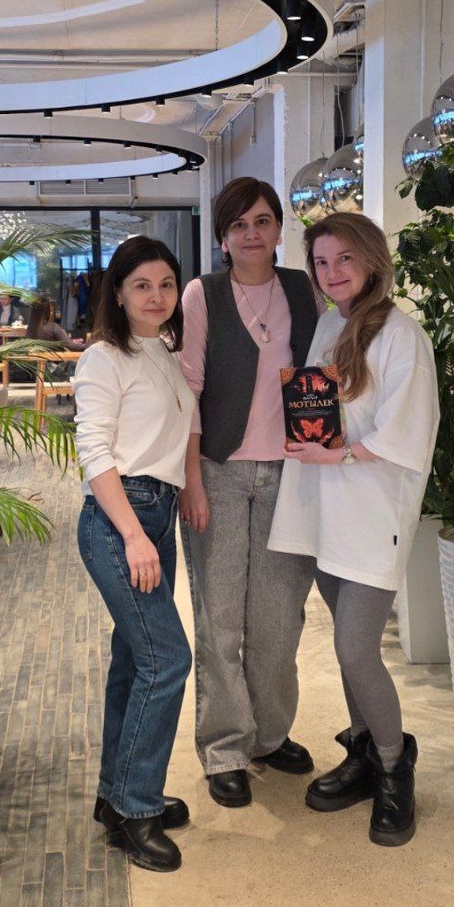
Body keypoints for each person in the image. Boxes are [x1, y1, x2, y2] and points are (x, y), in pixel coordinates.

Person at [268, 212, 439, 848]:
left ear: (371, 261)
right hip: (328, 511)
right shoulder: (328, 325)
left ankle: (395, 766)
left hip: (373, 516)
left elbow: (406, 431)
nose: (332, 272)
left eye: (344, 259)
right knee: (347, 644)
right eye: (321, 262)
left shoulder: (402, 335)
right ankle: (365, 750)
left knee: (354, 648)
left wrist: (335, 455)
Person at [179, 177, 321, 808]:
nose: (251, 234)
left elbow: (324, 372)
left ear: (279, 228)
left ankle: (269, 735)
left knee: (278, 618)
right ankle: (225, 748)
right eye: (238, 225)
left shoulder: (304, 288)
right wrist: (191, 481)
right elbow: (188, 391)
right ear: (222, 237)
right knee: (219, 619)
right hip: (219, 471)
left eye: (262, 221)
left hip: (290, 474)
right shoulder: (202, 294)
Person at [73, 237, 195, 873]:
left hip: (158, 513)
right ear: (118, 293)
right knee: (167, 660)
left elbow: (178, 434)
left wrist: (185, 494)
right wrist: (133, 533)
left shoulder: (163, 351)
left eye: (166, 284)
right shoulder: (104, 357)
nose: (157, 295)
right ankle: (137, 808)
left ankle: (116, 793)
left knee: (134, 659)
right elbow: (95, 453)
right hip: (121, 519)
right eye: (142, 284)